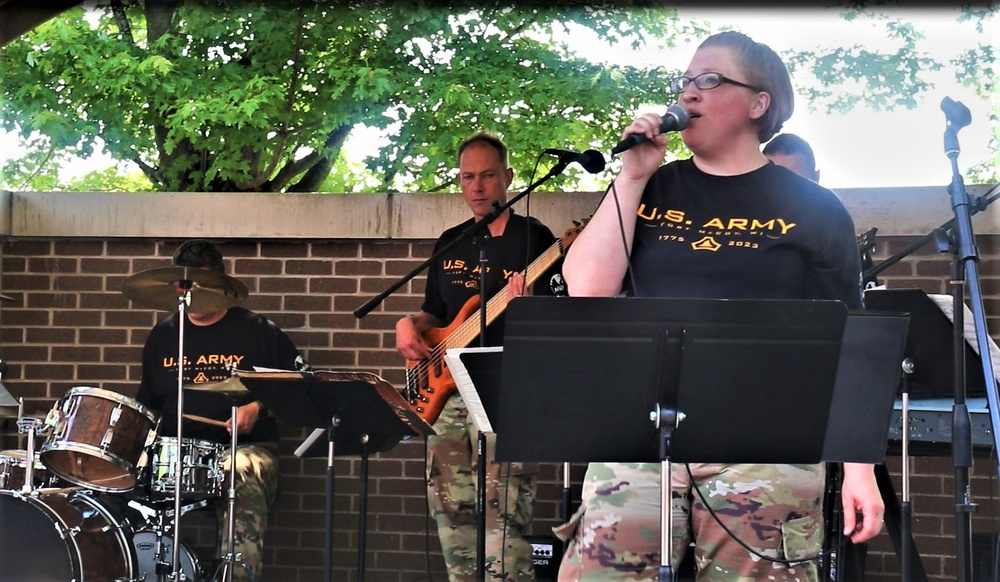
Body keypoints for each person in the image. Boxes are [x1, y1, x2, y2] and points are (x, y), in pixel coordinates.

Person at [555, 31, 884, 581]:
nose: (689, 94)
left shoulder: (815, 208)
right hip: (643, 436)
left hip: (767, 447)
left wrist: (859, 468)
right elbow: (587, 287)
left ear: (760, 103)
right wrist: (632, 177)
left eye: (709, 80)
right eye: (684, 82)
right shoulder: (652, 187)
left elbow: (848, 340)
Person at [395, 132, 559, 581]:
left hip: (506, 387)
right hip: (447, 391)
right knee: (452, 514)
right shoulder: (450, 241)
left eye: (488, 175)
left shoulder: (537, 240)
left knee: (504, 518)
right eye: (468, 177)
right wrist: (408, 324)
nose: (478, 186)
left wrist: (527, 307)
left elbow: (559, 314)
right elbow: (436, 312)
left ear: (508, 178)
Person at [135, 239, 309, 582]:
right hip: (177, 455)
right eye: (186, 286)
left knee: (237, 470)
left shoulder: (258, 331)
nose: (193, 294)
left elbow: (302, 386)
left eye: (202, 285)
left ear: (221, 283)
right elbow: (147, 407)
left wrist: (257, 405)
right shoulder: (164, 335)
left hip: (245, 451)